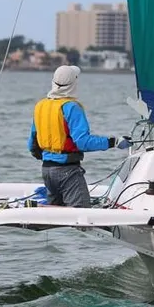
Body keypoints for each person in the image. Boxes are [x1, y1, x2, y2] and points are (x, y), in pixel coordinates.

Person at [28, 65, 123, 208]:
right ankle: (36, 207)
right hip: (67, 171)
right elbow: (83, 142)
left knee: (56, 216)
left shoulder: (40, 106)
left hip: (47, 170)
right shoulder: (71, 107)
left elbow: (32, 145)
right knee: (82, 215)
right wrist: (113, 142)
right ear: (74, 84)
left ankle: (37, 208)